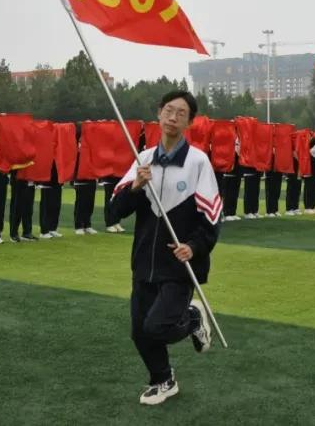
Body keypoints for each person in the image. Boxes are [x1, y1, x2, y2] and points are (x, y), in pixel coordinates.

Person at [106, 91, 220, 406]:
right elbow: (113, 212)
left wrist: (194, 247)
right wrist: (136, 187)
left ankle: (194, 317)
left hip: (180, 264)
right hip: (144, 262)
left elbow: (211, 219)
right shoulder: (142, 159)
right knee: (140, 332)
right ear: (159, 113)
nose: (173, 117)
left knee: (160, 326)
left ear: (190, 122)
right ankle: (163, 380)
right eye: (168, 110)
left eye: (180, 113)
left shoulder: (198, 161)